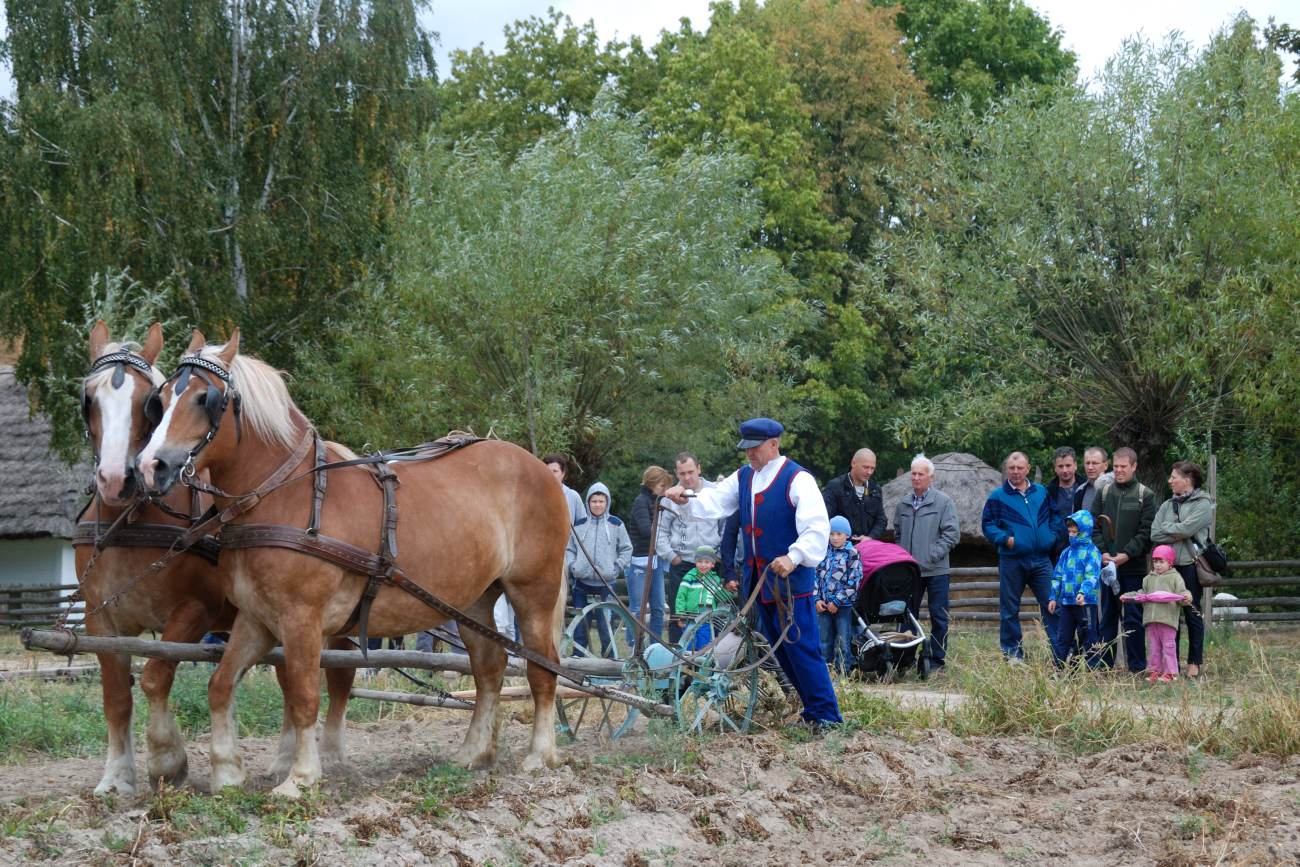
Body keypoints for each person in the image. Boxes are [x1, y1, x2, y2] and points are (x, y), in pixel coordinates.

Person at [664, 417, 841, 728]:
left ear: (774, 444)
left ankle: (828, 717)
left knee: (802, 650)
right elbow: (715, 501)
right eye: (746, 448)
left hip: (790, 584)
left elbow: (816, 528)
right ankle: (813, 713)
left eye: (755, 447)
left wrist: (794, 556)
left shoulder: (797, 478)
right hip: (759, 584)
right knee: (782, 654)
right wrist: (684, 500)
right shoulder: (744, 476)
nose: (749, 453)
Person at [982, 451, 1061, 660]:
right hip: (1012, 560)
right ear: (1006, 469)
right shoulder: (997, 496)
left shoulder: (1042, 492)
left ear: (1027, 468)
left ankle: (1061, 654)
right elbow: (988, 525)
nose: (1015, 472)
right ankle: (1013, 656)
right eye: (1011, 468)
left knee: (1053, 605)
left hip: (1042, 560)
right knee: (1009, 610)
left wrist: (1051, 537)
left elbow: (1055, 517)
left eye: (1019, 468)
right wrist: (1008, 540)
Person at [1089, 447, 1158, 674]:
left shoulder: (1145, 495)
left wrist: (1125, 555)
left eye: (1123, 467)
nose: (1118, 470)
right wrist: (1103, 553)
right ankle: (1106, 666)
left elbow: (1146, 533)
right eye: (1116, 466)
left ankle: (1137, 667)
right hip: (1107, 568)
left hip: (1133, 569)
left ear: (1134, 467)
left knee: (1133, 619)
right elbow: (1093, 526)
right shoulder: (1104, 492)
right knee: (1107, 617)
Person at [892, 454, 960, 669]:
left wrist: (932, 554)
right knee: (907, 616)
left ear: (931, 477)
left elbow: (952, 534)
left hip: (936, 570)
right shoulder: (903, 504)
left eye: (921, 474)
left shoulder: (943, 502)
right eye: (913, 473)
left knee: (939, 617)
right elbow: (897, 534)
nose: (916, 477)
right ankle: (905, 659)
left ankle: (937, 661)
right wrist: (904, 557)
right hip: (910, 572)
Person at [1150, 460, 1212, 679]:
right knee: (1169, 617)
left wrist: (1179, 530)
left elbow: (1188, 528)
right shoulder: (1168, 504)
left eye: (1173, 477)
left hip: (1190, 567)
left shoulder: (1202, 504)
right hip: (1167, 568)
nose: (1169, 481)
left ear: (1186, 481)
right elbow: (1154, 533)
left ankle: (1194, 662)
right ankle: (1171, 664)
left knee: (1192, 613)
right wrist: (1177, 531)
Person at [657, 453, 724, 643]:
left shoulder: (714, 492)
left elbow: (726, 527)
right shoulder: (670, 497)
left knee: (712, 613)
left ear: (699, 469)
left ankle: (712, 660)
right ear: (676, 473)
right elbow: (659, 531)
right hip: (682, 563)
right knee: (679, 614)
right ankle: (677, 660)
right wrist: (671, 556)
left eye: (691, 472)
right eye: (682, 473)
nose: (687, 478)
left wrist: (718, 556)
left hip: (710, 564)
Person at [566, 483, 632, 657]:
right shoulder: (579, 525)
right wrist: (573, 566)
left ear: (607, 502)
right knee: (580, 625)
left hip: (606, 585)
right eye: (594, 501)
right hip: (581, 584)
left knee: (606, 626)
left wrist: (616, 567)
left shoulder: (616, 524)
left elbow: (626, 549)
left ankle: (609, 661)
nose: (597, 505)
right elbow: (569, 549)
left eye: (601, 501)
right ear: (588, 503)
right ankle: (577, 659)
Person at [1047, 510, 1102, 669]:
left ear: (1084, 531)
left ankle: (1092, 670)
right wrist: (1053, 597)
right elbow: (1057, 575)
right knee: (1063, 637)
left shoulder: (1092, 552)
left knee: (1089, 636)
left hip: (1086, 603)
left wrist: (1083, 592)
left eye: (1074, 532)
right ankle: (1057, 668)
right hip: (1066, 603)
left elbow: (1092, 575)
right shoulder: (1066, 552)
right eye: (1069, 532)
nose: (1071, 535)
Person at [1134, 545, 1192, 683]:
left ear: (1170, 563)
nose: (1158, 565)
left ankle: (1171, 673)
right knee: (1154, 647)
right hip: (1151, 620)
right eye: (1155, 561)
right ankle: (1156, 671)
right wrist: (1129, 596)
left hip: (1167, 620)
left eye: (1162, 562)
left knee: (1169, 646)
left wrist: (1187, 597)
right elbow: (1143, 593)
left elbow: (1183, 593)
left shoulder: (1175, 578)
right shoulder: (1149, 578)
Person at [627, 466, 672, 642]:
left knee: (658, 608)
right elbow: (646, 530)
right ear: (652, 483)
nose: (664, 489)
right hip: (640, 562)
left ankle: (655, 648)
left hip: (656, 561)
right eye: (662, 485)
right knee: (637, 609)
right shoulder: (641, 501)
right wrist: (666, 532)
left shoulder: (658, 502)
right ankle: (633, 649)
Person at [816, 516, 862, 674]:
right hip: (824, 606)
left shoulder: (852, 554)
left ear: (847, 535)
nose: (834, 538)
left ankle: (843, 673)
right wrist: (816, 598)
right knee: (824, 641)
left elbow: (854, 582)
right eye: (832, 534)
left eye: (839, 534)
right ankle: (825, 673)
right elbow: (816, 576)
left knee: (842, 642)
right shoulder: (824, 553)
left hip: (842, 607)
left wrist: (837, 601)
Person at [822, 449, 888, 542]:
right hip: (841, 550)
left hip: (868, 549)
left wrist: (870, 538)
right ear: (853, 463)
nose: (869, 472)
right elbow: (825, 520)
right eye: (865, 467)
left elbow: (881, 520)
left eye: (872, 468)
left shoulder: (875, 490)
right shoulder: (834, 487)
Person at [674, 547, 726, 650]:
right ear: (695, 563)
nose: (703, 565)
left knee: (704, 645)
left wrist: (727, 592)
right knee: (688, 645)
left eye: (707, 562)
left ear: (713, 564)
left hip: (707, 620)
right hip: (689, 619)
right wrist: (681, 616)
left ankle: (702, 664)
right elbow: (681, 598)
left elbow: (720, 598)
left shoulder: (715, 580)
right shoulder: (689, 577)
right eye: (700, 561)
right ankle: (688, 664)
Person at [1045, 447, 1083, 564]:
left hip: (1081, 553)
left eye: (1068, 465)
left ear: (1075, 465)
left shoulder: (1086, 488)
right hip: (1056, 555)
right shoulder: (1048, 492)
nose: (1065, 470)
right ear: (1055, 468)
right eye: (1060, 466)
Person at [543, 453, 587, 526]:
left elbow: (583, 525)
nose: (551, 474)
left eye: (555, 471)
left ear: (563, 473)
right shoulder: (537, 496)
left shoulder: (573, 496)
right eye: (548, 471)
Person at [1074, 447, 1115, 513]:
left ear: (1106, 465)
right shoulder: (1080, 491)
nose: (1090, 467)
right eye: (1087, 463)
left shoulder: (1115, 488)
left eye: (1095, 463)